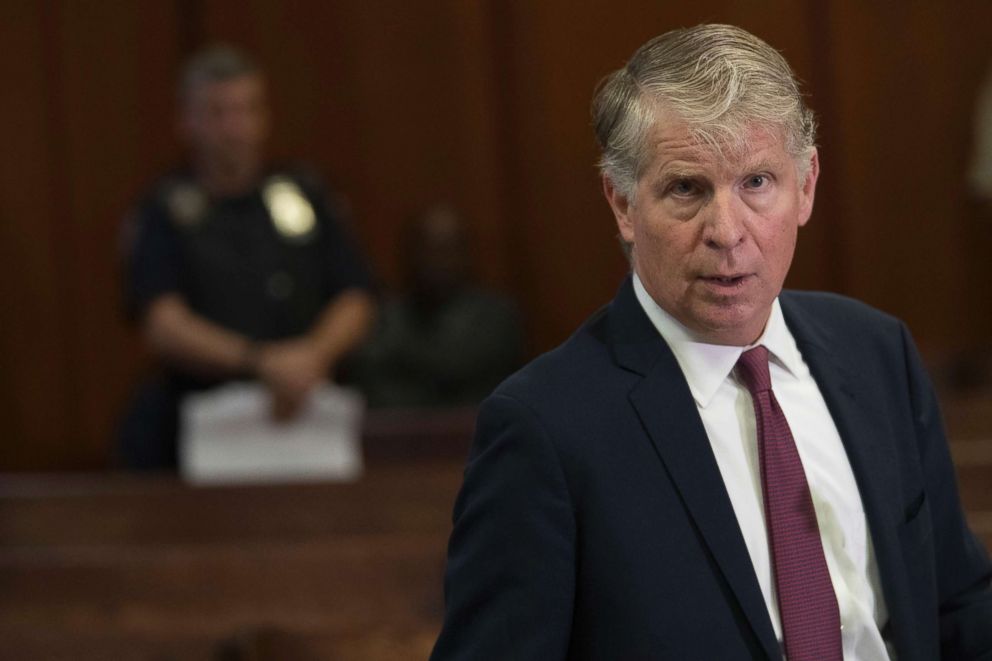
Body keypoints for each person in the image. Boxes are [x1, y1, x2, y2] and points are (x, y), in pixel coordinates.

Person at [430, 24, 992, 661]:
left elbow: (955, 604)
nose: (727, 232)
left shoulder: (877, 352)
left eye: (756, 182)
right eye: (686, 188)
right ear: (621, 203)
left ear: (805, 185)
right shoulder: (544, 427)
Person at [119, 45, 375, 469]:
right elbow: (162, 321)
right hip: (209, 416)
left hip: (310, 406)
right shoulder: (165, 210)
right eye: (219, 113)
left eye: (248, 110)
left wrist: (311, 356)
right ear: (187, 122)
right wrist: (258, 361)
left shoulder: (303, 193)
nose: (236, 128)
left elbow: (356, 295)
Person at [353, 204, 523, 408]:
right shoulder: (383, 318)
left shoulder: (496, 318)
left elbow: (476, 379)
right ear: (409, 254)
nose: (437, 262)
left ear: (466, 255)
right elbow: (375, 384)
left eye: (447, 250)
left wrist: (408, 365)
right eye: (427, 250)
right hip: (403, 432)